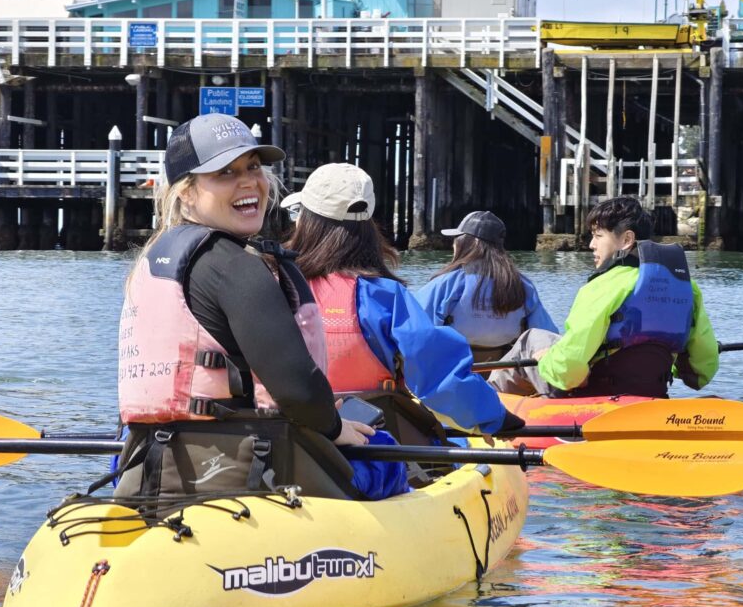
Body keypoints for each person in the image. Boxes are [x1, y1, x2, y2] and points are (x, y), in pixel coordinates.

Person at [113, 114, 387, 501]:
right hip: (242, 468)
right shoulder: (234, 266)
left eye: (253, 167)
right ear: (186, 192)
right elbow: (296, 388)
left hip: (149, 465)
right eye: (225, 172)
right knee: (388, 462)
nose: (248, 182)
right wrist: (334, 425)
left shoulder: (155, 260)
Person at [282, 163, 525, 436]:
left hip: (289, 438)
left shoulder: (272, 284)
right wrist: (494, 417)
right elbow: (437, 375)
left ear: (305, 221)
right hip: (373, 437)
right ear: (368, 227)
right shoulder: (384, 295)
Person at [489, 196, 719, 399]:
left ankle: (486, 415)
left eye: (598, 236)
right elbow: (702, 371)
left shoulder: (603, 287)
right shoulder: (688, 287)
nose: (591, 245)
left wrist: (544, 358)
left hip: (594, 394)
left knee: (532, 339)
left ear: (627, 239)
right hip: (653, 391)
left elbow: (568, 373)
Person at [415, 210, 558, 363]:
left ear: (469, 243)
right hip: (503, 371)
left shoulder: (446, 284)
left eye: (457, 238)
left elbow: (414, 330)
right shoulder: (523, 286)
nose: (453, 244)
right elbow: (546, 335)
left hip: (451, 371)